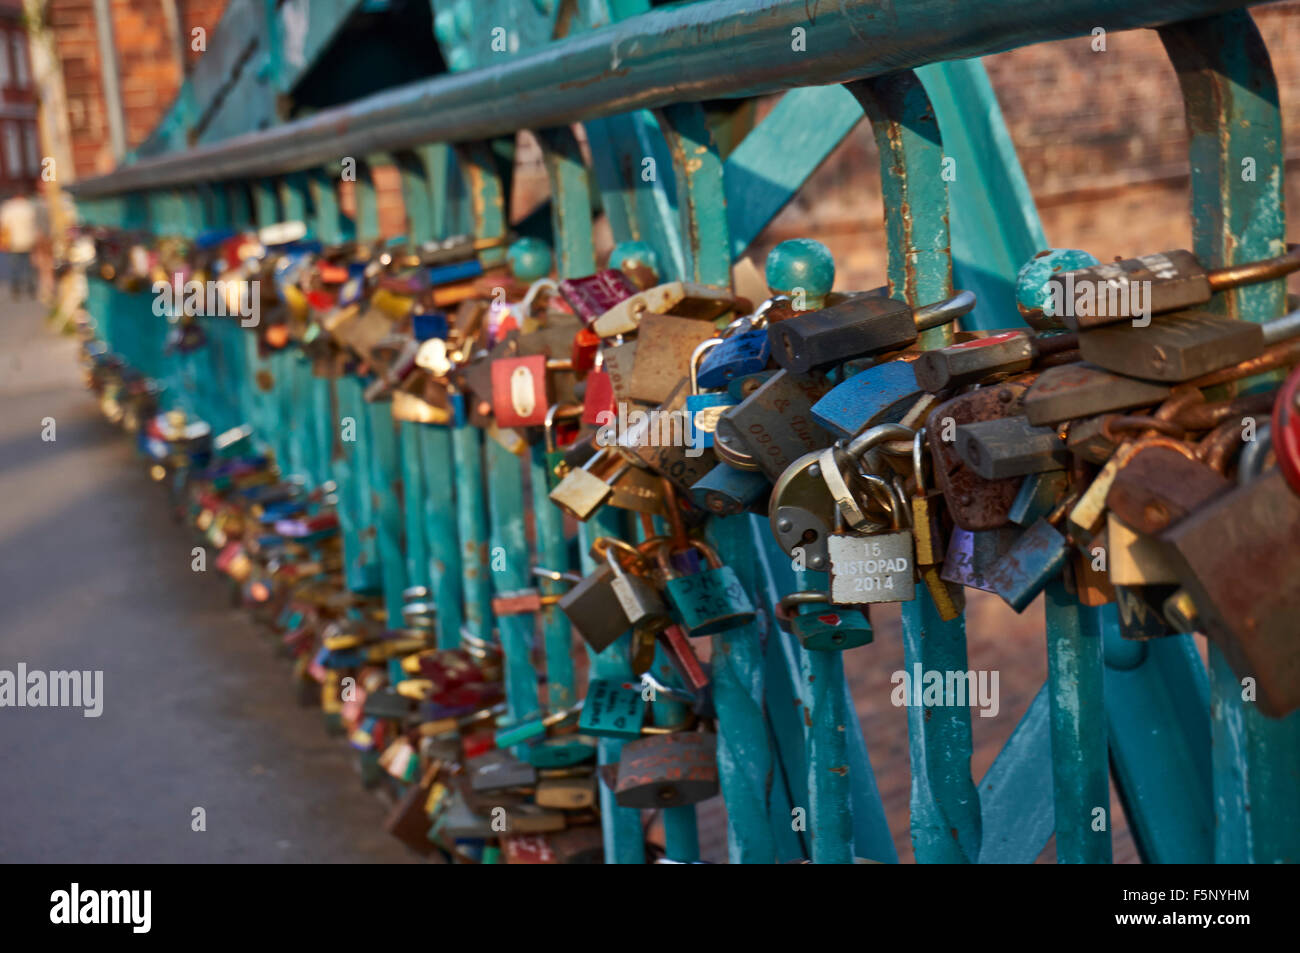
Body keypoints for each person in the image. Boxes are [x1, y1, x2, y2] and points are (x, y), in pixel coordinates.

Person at [0, 191, 39, 299]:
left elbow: (4, 226)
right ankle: (30, 287)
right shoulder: (29, 207)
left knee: (14, 266)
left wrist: (3, 242)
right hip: (28, 240)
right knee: (28, 265)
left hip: (13, 242)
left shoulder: (8, 208)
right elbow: (34, 224)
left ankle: (15, 288)